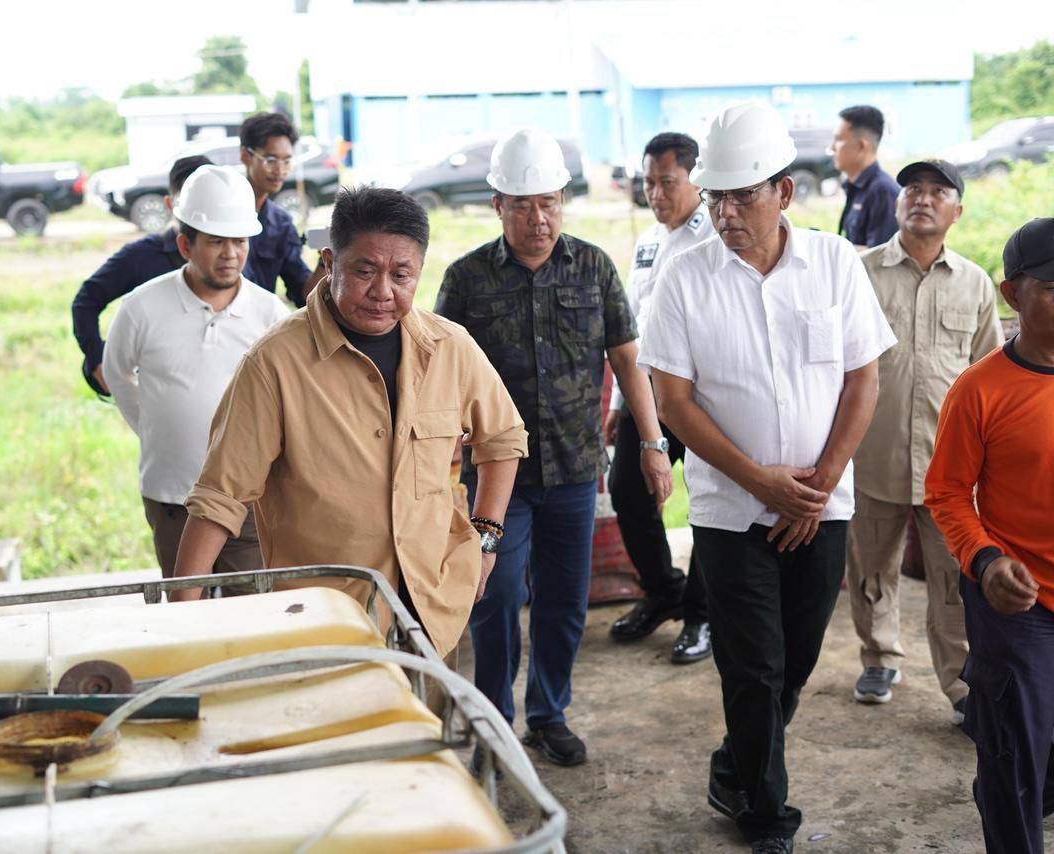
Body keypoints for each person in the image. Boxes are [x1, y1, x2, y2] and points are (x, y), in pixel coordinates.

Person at [640, 100, 895, 853]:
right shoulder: (683, 281)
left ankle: (734, 765)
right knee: (753, 666)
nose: (725, 213)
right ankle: (765, 815)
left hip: (824, 502)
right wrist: (763, 482)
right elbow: (674, 401)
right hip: (727, 510)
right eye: (716, 197)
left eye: (742, 195)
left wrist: (815, 484)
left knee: (798, 660)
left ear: (783, 192)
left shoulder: (835, 263)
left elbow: (862, 380)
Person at [172, 185, 527, 668]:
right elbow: (220, 496)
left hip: (431, 605)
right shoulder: (276, 363)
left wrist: (486, 537)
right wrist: (181, 626)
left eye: (402, 275)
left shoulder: (449, 346)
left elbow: (503, 438)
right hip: (328, 617)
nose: (383, 291)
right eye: (365, 270)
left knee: (426, 733)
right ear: (329, 262)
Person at [435, 127, 670, 767]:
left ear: (562, 202)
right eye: (523, 205)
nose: (539, 220)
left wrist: (651, 442)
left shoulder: (592, 266)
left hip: (572, 471)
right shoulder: (466, 279)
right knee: (497, 595)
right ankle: (493, 721)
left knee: (565, 601)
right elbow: (440, 372)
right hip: (494, 478)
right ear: (497, 206)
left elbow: (627, 357)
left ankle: (549, 713)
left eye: (549, 203)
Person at [847, 159, 1003, 717]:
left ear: (956, 212)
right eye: (913, 188)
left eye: (939, 192)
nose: (924, 198)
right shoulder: (860, 273)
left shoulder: (975, 283)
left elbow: (990, 376)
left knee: (956, 580)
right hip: (872, 455)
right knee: (870, 570)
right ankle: (878, 658)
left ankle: (962, 685)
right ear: (897, 203)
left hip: (951, 469)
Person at [925, 217, 1054, 854]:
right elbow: (947, 492)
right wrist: (985, 559)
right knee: (1012, 756)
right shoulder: (979, 390)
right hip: (1016, 602)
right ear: (1012, 295)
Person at [103, 166, 290, 579]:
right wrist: (156, 429)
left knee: (252, 614)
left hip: (248, 497)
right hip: (172, 496)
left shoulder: (270, 314)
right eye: (216, 241)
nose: (230, 254)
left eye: (240, 241)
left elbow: (289, 396)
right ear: (186, 244)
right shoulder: (141, 308)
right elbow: (117, 375)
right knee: (189, 612)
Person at [606, 131, 713, 663]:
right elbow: (630, 326)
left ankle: (702, 612)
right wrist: (619, 405)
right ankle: (662, 590)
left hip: (703, 390)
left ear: (694, 179)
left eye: (667, 182)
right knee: (626, 485)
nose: (656, 193)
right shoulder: (648, 240)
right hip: (648, 389)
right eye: (648, 182)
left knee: (708, 496)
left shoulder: (717, 235)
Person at [71, 154, 211, 394]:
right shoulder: (140, 256)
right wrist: (97, 360)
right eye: (190, 204)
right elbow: (86, 301)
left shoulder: (233, 257)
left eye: (206, 203)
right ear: (170, 204)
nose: (198, 216)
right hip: (158, 396)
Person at [238, 111, 323, 308]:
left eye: (286, 161)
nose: (280, 170)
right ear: (245, 156)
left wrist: (326, 259)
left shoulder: (282, 223)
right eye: (270, 159)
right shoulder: (220, 214)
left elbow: (304, 295)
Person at [831, 105, 899, 249]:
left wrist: (835, 251)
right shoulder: (856, 187)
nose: (832, 147)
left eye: (838, 139)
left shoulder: (883, 191)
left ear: (862, 146)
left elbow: (882, 256)